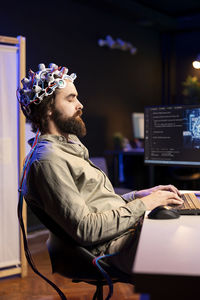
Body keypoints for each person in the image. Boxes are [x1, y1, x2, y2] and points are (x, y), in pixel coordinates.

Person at [18, 63, 183, 275]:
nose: (80, 105)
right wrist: (145, 204)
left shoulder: (69, 148)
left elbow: (98, 205)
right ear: (48, 108)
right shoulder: (49, 160)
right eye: (70, 98)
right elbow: (86, 230)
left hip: (123, 234)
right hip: (111, 249)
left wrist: (137, 196)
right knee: (188, 251)